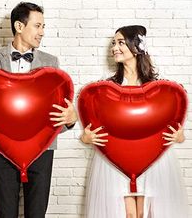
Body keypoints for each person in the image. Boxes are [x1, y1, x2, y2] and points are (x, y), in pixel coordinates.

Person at [0, 2, 77, 218]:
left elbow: (55, 114)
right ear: (19, 26)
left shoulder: (51, 63)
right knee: (5, 212)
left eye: (43, 26)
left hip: (42, 149)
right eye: (38, 26)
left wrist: (70, 120)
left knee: (37, 213)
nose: (42, 32)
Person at [80, 25, 189, 218]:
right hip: (116, 161)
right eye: (114, 43)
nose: (114, 47)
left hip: (153, 159)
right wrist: (86, 137)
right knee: (128, 214)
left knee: (146, 213)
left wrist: (180, 136)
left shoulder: (158, 88)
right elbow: (94, 127)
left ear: (136, 47)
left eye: (120, 42)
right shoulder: (108, 89)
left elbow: (174, 128)